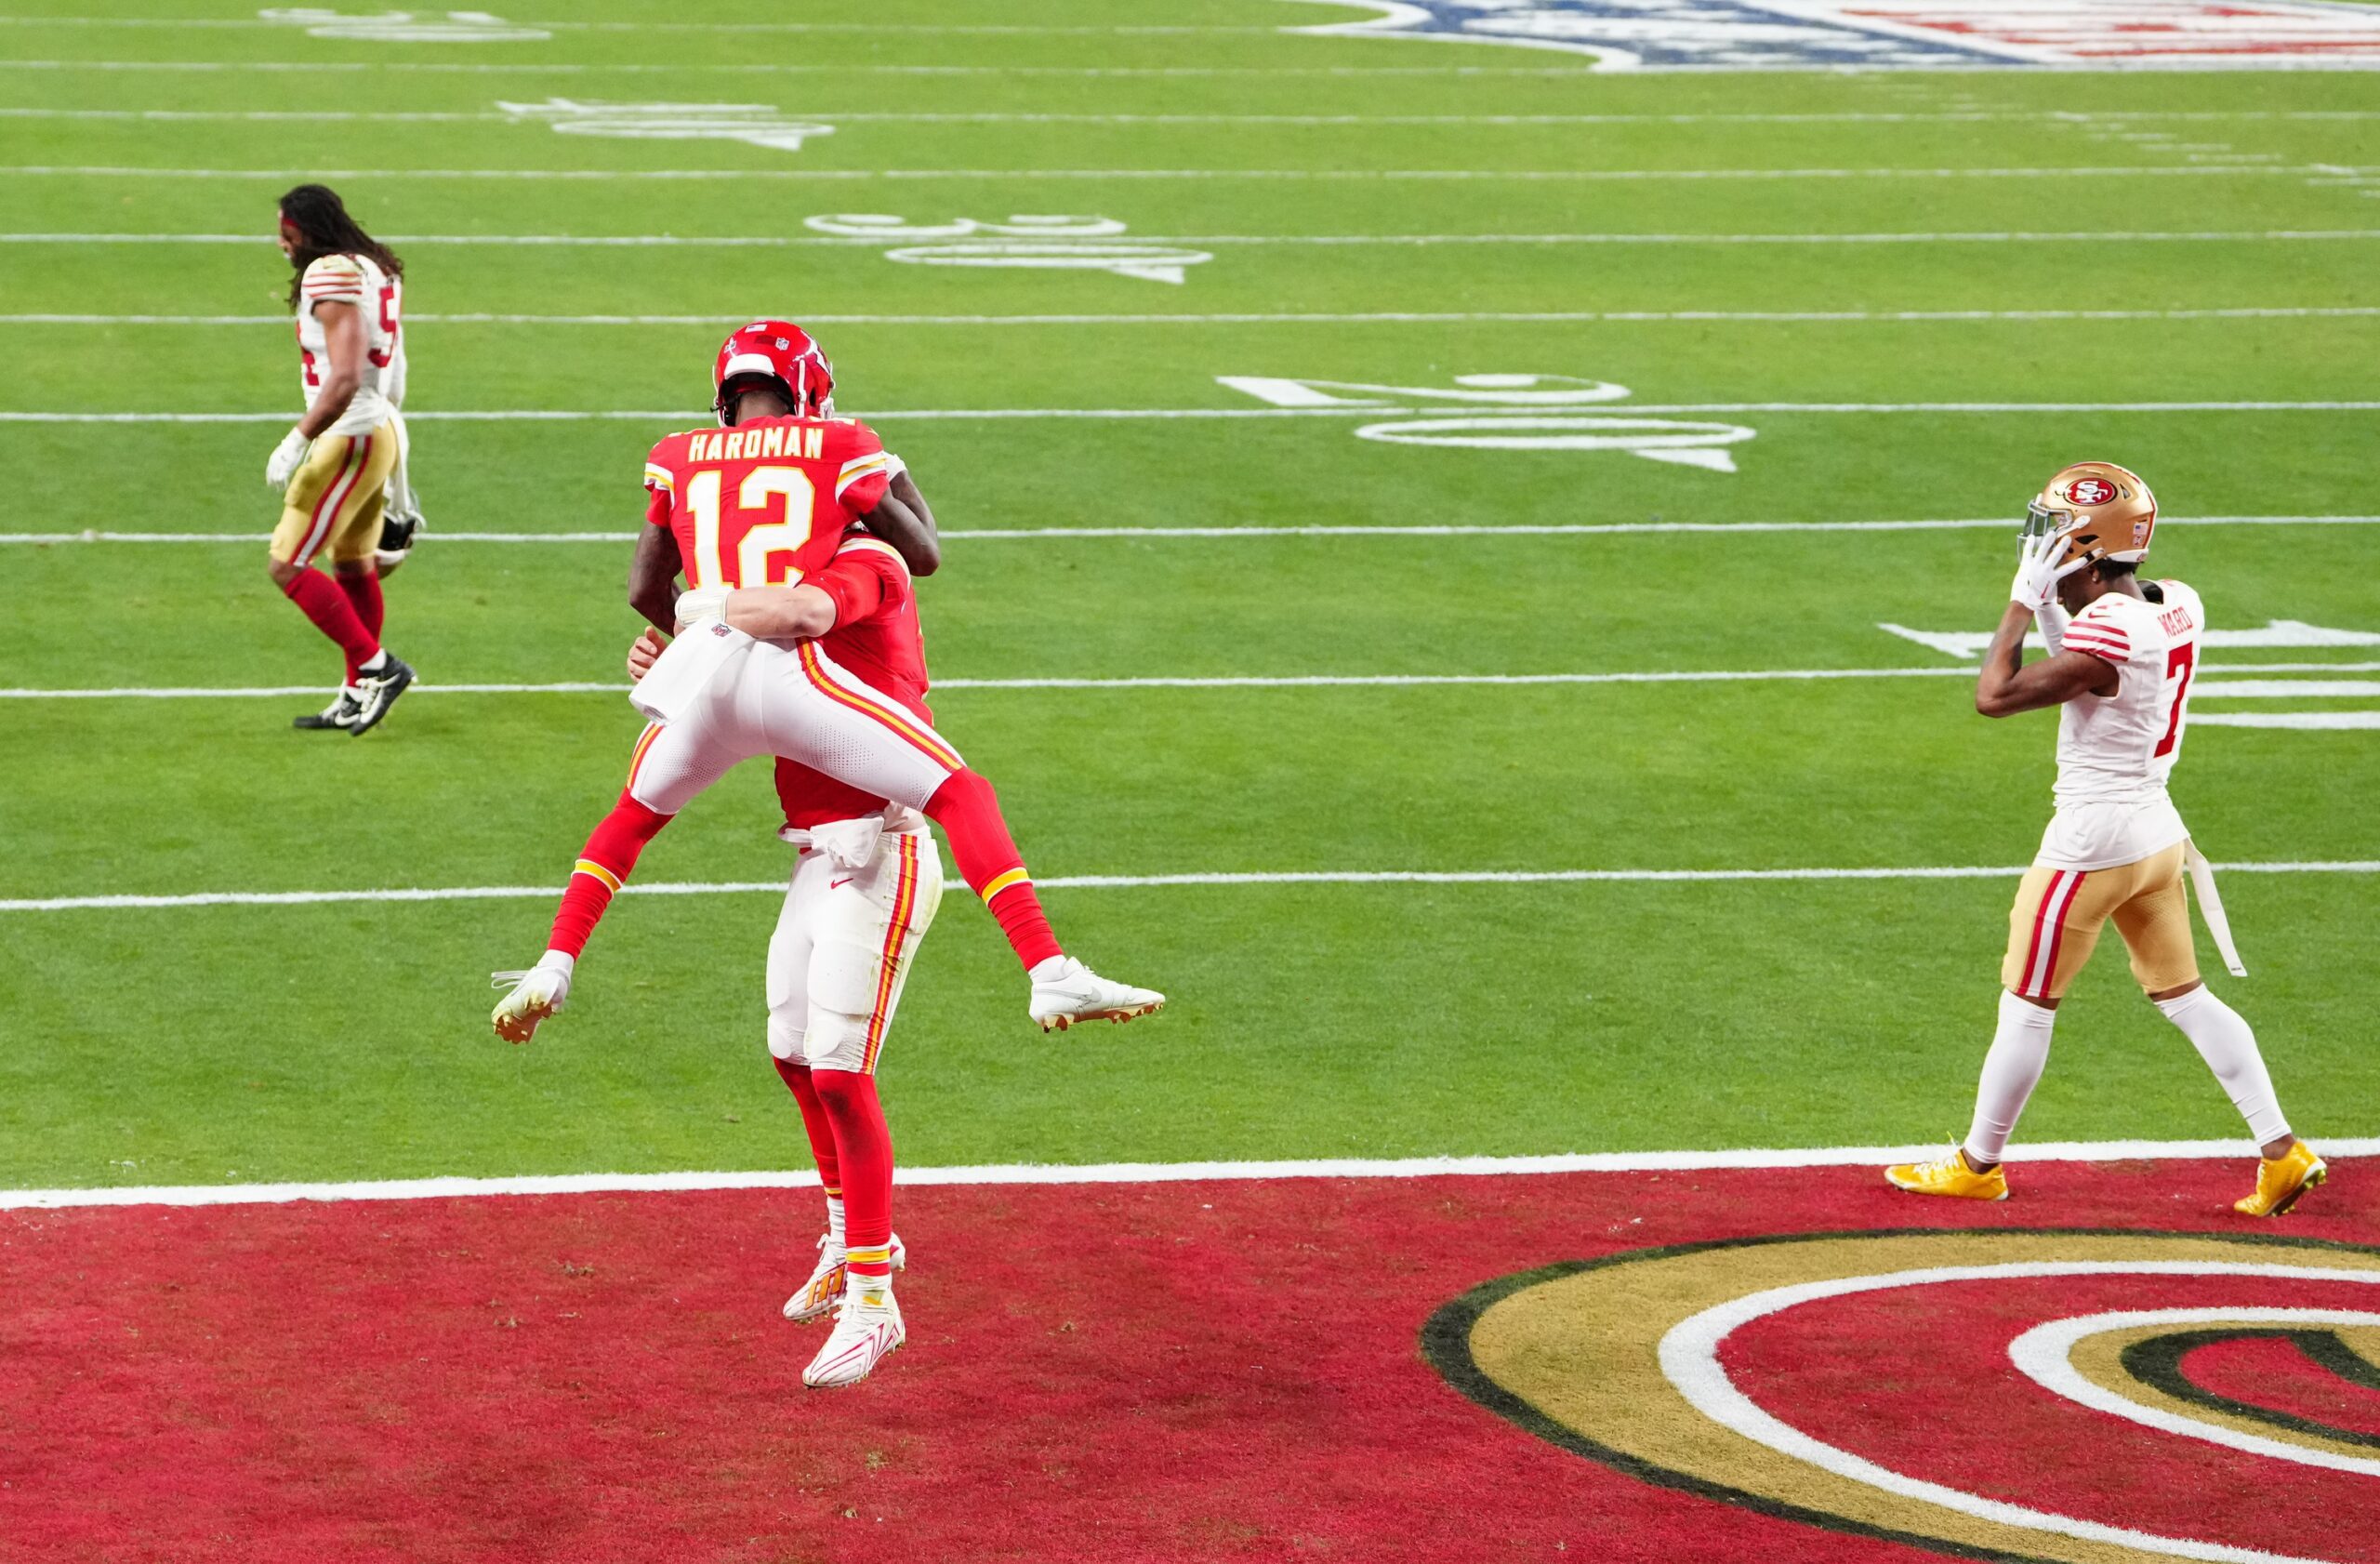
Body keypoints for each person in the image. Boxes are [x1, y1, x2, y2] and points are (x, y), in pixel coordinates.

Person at [491, 322, 1160, 1034]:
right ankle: (1049, 970)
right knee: (963, 793)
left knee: (630, 818)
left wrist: (691, 638)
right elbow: (924, 551)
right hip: (787, 667)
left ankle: (554, 964)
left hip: (713, 673)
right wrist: (880, 457)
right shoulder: (839, 443)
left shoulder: (677, 454)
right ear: (809, 389)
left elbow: (642, 588)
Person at [1886, 462, 2323, 1217]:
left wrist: (2020, 606)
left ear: (2088, 548)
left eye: (2055, 536)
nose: (2039, 547)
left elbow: (1995, 696)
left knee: (2027, 1004)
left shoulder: (2109, 634)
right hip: (2155, 833)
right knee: (2184, 995)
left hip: (2092, 843)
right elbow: (2088, 652)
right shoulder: (2175, 602)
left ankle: (1979, 1163)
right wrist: (2055, 597)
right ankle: (2283, 1153)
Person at [267, 184, 416, 735]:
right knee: (352, 565)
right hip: (377, 427)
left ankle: (380, 668)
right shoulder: (377, 267)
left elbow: (348, 375)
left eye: (287, 232)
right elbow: (394, 370)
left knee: (287, 563)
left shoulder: (329, 273)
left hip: (349, 432)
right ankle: (356, 692)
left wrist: (299, 437)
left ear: (306, 230)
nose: (282, 243)